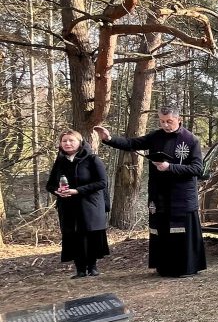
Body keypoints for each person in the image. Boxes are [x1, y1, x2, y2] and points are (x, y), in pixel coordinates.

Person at [95, 105, 207, 278]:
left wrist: (170, 167)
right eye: (162, 121)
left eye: (169, 121)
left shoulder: (191, 140)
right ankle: (165, 267)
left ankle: (186, 268)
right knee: (161, 230)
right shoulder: (155, 136)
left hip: (182, 195)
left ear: (179, 119)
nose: (165, 125)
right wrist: (109, 138)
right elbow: (132, 144)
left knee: (181, 232)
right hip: (159, 193)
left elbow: (197, 169)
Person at [46, 129, 110, 278]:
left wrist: (78, 191)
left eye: (71, 140)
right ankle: (80, 269)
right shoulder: (60, 161)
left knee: (90, 234)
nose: (67, 143)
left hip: (90, 204)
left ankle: (92, 267)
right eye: (64, 141)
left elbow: (102, 182)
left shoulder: (92, 159)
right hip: (67, 205)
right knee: (73, 236)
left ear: (80, 142)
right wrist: (58, 191)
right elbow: (50, 185)